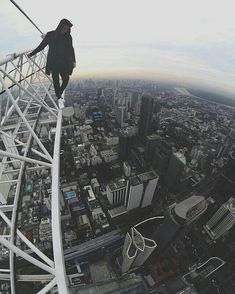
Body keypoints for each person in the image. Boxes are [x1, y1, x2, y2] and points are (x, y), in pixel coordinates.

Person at [28, 18, 76, 109]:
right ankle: (59, 98)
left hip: (65, 62)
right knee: (56, 81)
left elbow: (71, 49)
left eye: (67, 29)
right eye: (64, 28)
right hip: (53, 62)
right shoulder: (50, 35)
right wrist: (31, 54)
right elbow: (42, 46)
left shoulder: (68, 37)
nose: (65, 30)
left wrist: (74, 61)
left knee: (66, 79)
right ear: (60, 26)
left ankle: (59, 93)